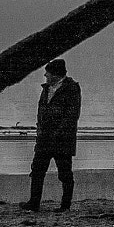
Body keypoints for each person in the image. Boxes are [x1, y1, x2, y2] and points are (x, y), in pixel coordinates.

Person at [20, 58, 80, 212]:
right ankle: (34, 203)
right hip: (44, 138)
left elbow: (72, 116)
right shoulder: (46, 88)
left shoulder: (72, 88)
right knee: (37, 171)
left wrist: (58, 133)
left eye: (48, 73)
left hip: (62, 139)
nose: (45, 75)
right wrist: (40, 129)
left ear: (56, 74)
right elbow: (41, 111)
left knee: (65, 173)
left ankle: (65, 205)